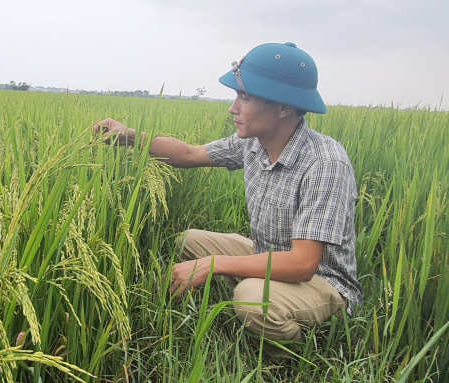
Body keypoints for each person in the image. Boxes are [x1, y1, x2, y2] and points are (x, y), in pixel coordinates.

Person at [94, 42, 363, 358]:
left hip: (323, 283)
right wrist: (129, 136)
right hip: (270, 255)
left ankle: (300, 354)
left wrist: (214, 264)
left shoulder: (324, 163)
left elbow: (303, 264)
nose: (233, 108)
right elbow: (190, 154)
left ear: (284, 108)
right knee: (188, 242)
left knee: (249, 298)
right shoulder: (253, 144)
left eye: (245, 98)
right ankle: (248, 306)